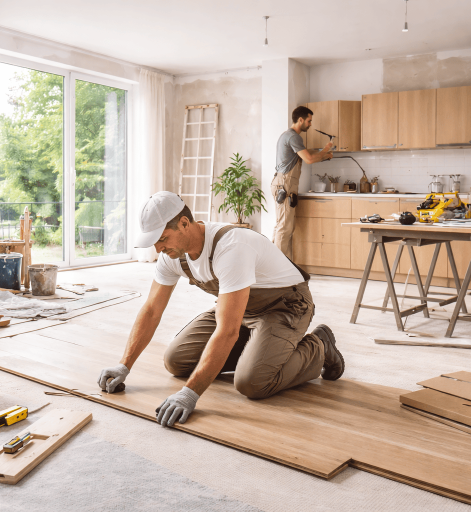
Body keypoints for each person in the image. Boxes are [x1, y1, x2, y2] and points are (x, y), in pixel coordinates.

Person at [97, 191, 345, 427]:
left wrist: (190, 393)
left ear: (184, 223)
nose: (158, 249)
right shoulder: (173, 255)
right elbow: (152, 310)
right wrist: (124, 365)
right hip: (240, 310)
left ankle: (320, 346)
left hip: (284, 306)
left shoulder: (231, 247)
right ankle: (260, 349)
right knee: (176, 361)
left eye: (162, 239)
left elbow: (227, 331)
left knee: (252, 383)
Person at [272, 106, 334, 258]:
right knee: (284, 228)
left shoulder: (289, 136)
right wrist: (326, 152)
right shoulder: (293, 136)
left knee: (282, 225)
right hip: (285, 184)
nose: (310, 124)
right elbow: (309, 159)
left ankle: (273, 264)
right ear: (300, 120)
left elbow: (307, 154)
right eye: (309, 121)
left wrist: (325, 152)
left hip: (283, 183)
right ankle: (277, 269)